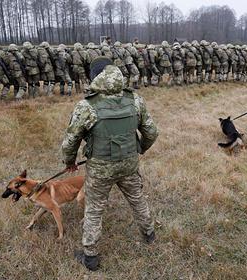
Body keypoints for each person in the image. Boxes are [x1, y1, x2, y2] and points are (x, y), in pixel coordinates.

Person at [61, 57, 158, 271]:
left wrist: (69, 162)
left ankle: (91, 257)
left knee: (94, 210)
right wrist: (139, 148)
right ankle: (149, 234)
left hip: (100, 169)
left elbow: (70, 141)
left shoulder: (87, 105)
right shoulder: (135, 100)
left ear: (95, 77)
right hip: (129, 165)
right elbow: (152, 132)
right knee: (137, 199)